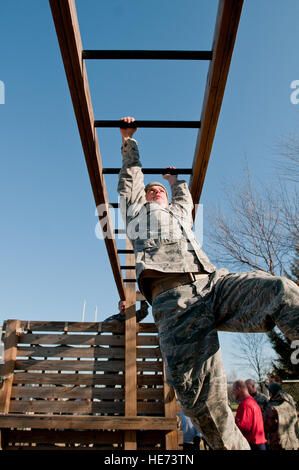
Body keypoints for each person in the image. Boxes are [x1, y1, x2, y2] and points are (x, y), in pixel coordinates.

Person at [116, 116, 299, 450]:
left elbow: (184, 200)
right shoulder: (136, 212)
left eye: (160, 190)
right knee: (204, 405)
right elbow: (130, 181)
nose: (156, 191)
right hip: (174, 300)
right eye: (151, 190)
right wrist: (129, 142)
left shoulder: (179, 214)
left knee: (280, 291)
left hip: (213, 283)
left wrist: (175, 181)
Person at [233, 380, 267, 450]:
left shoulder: (245, 404)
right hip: (259, 442)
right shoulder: (251, 401)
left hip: (253, 444)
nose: (233, 393)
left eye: (234, 390)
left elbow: (243, 427)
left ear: (238, 389)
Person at [263, 382, 299, 450]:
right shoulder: (290, 404)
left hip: (278, 443)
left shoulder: (271, 408)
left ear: (271, 393)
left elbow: (266, 426)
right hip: (293, 442)